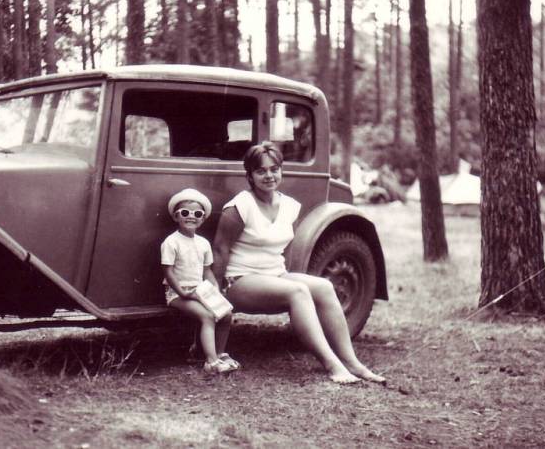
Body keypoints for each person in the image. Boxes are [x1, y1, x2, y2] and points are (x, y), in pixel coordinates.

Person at [212, 142, 385, 384]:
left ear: (281, 170)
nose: (269, 176)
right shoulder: (240, 206)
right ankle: (333, 365)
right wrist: (215, 294)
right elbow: (220, 250)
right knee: (298, 291)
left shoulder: (290, 206)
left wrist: (286, 278)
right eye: (261, 171)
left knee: (323, 287)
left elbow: (285, 250)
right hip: (238, 281)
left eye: (274, 169)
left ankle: (352, 363)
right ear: (250, 175)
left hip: (274, 276)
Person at [162, 188, 240, 374]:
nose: (191, 217)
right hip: (178, 293)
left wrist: (214, 288)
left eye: (197, 214)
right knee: (206, 316)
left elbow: (206, 271)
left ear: (203, 218)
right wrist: (181, 292)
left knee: (226, 313)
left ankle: (220, 354)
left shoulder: (203, 243)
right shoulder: (171, 242)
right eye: (185, 213)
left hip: (199, 289)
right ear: (176, 216)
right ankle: (211, 363)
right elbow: (168, 271)